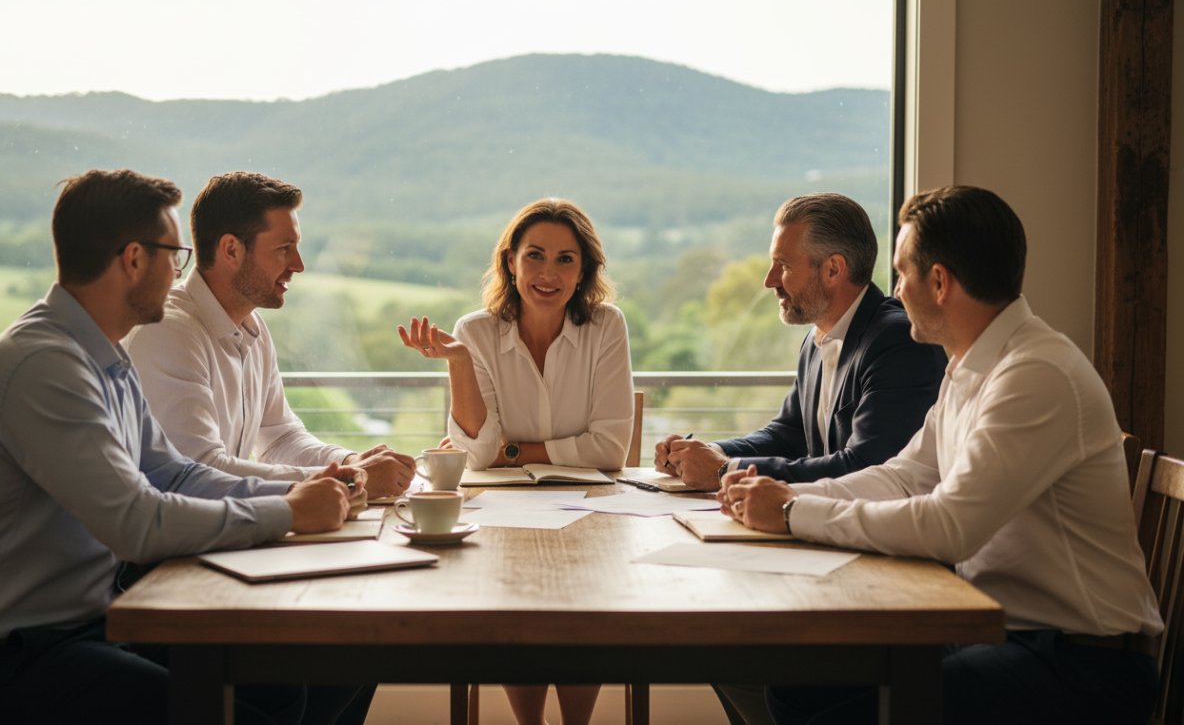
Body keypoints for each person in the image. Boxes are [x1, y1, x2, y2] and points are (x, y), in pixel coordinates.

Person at [0, 169, 373, 724]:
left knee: (296, 682)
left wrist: (302, 488)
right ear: (134, 258)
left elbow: (174, 474)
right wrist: (286, 511)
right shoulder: (45, 365)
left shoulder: (105, 357)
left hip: (82, 631)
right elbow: (135, 522)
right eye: (174, 256)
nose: (180, 273)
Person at [718, 185, 1162, 724]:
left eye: (902, 273)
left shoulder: (1034, 374)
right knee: (797, 688)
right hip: (999, 634)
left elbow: (950, 525)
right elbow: (905, 475)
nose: (895, 290)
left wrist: (791, 514)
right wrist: (787, 496)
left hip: (1078, 662)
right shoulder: (969, 365)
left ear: (939, 282)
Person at [398, 197, 634, 725]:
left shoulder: (606, 326)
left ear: (584, 270)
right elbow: (478, 453)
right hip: (502, 511)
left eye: (565, 259)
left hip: (593, 509)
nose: (548, 273)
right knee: (513, 612)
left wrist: (514, 450)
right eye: (535, 256)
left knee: (584, 612)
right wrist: (458, 362)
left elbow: (611, 447)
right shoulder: (475, 332)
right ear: (510, 261)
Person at [126, 171, 415, 499]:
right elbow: (200, 472)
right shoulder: (169, 332)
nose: (298, 264)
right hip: (175, 547)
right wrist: (349, 480)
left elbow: (281, 439)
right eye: (284, 248)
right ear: (231, 250)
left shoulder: (254, 328)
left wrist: (348, 461)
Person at [653, 193, 947, 490]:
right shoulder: (816, 339)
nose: (770, 280)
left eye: (783, 266)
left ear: (833, 269)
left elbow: (865, 467)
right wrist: (708, 452)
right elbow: (787, 436)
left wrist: (726, 470)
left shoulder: (899, 340)